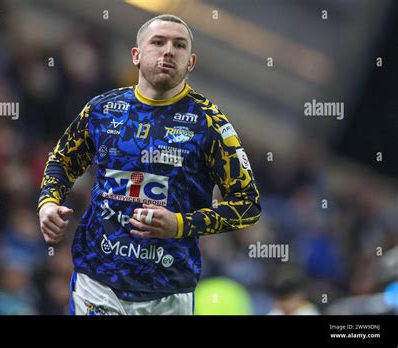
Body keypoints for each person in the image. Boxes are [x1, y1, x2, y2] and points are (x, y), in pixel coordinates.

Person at [37, 14, 261, 315]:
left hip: (167, 291)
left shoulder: (209, 124)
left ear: (190, 62)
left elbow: (247, 204)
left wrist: (180, 224)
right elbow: (62, 161)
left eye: (179, 45)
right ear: (137, 55)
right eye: (158, 42)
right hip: (98, 280)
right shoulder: (103, 110)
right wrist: (48, 203)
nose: (168, 51)